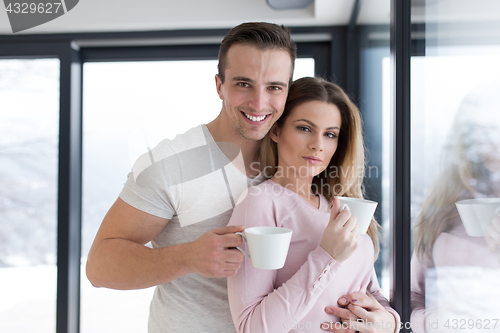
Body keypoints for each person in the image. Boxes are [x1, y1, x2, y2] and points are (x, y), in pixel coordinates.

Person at [86, 22, 297, 332]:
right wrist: (187, 257)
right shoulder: (171, 164)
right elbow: (99, 267)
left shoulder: (299, 159)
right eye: (243, 84)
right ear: (219, 85)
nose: (259, 102)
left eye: (274, 87)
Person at [227, 77, 400, 333]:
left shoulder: (340, 205)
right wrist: (326, 255)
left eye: (330, 134)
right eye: (305, 128)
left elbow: (369, 290)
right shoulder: (261, 203)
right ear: (276, 130)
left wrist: (390, 322)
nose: (317, 144)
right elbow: (253, 327)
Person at [410, 81, 500, 333]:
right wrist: (433, 323)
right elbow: (409, 295)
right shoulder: (444, 204)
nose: (492, 143)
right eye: (481, 132)